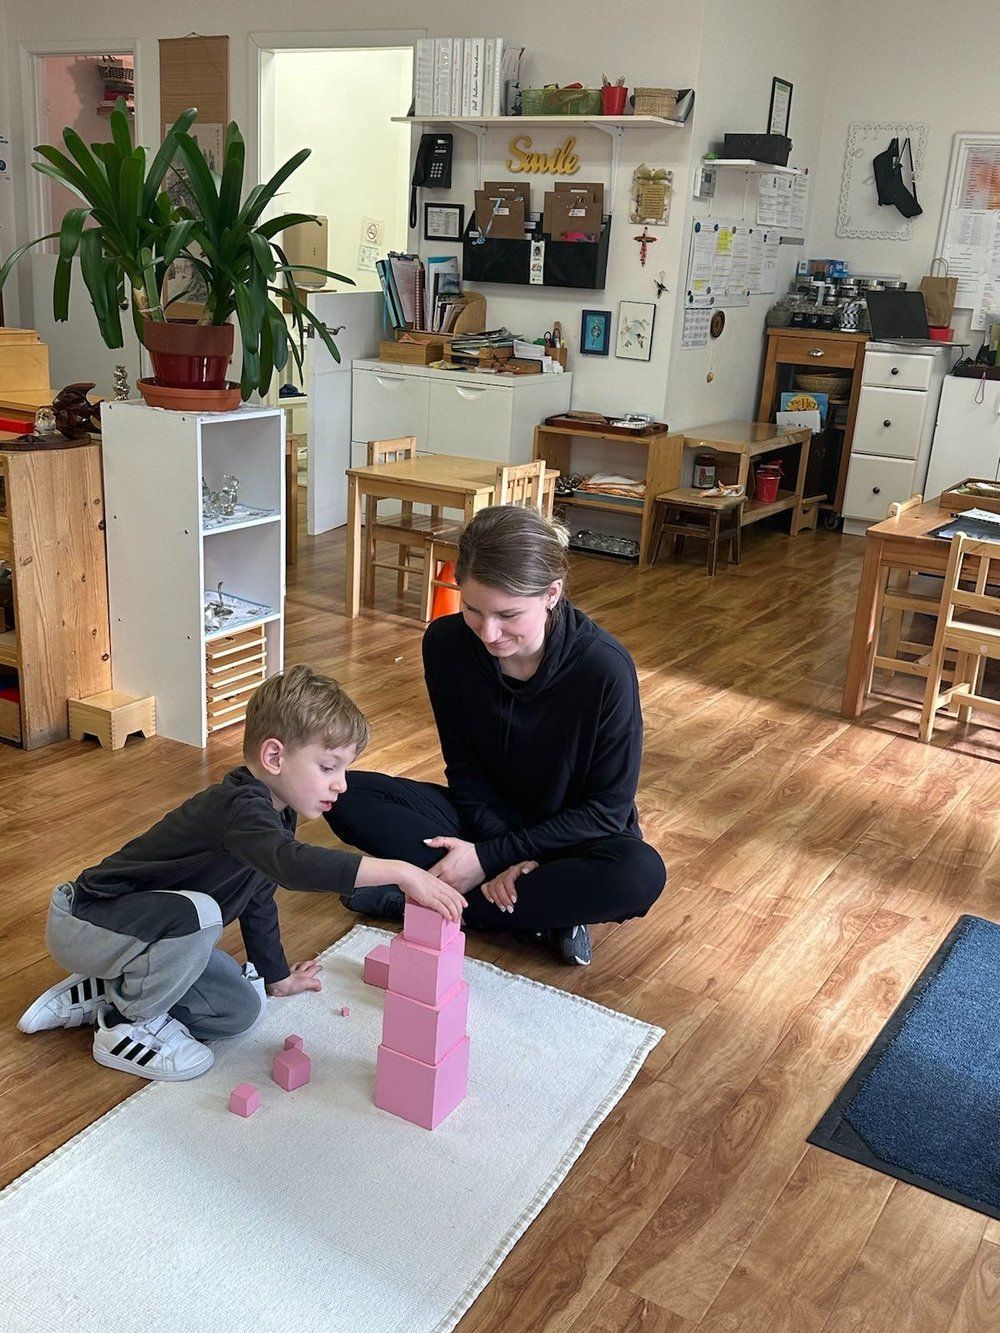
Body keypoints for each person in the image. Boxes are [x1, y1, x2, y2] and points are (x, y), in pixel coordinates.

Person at [16, 666, 465, 1081]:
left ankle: (112, 986)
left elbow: (258, 899)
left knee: (239, 1011)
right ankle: (122, 1024)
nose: (342, 783)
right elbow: (291, 866)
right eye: (329, 767)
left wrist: (277, 978)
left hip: (145, 933)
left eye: (344, 768)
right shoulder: (240, 809)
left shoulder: (276, 816)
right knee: (201, 913)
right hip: (87, 921)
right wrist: (402, 872)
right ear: (274, 755)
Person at [326, 504, 666, 966]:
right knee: (343, 795)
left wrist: (492, 856)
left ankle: (420, 898)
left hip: (572, 840)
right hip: (483, 819)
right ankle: (541, 913)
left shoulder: (604, 668)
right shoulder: (445, 643)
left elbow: (607, 811)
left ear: (551, 594)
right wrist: (494, 851)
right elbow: (464, 766)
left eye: (508, 615)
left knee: (638, 875)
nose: (489, 633)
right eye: (471, 608)